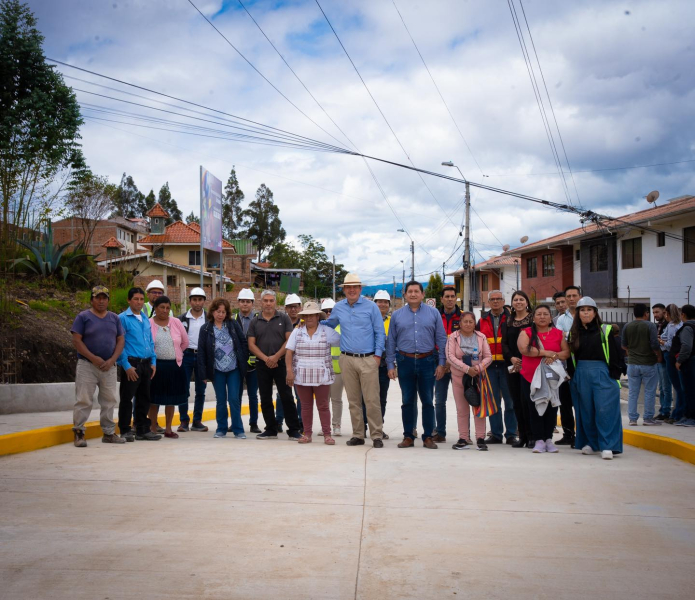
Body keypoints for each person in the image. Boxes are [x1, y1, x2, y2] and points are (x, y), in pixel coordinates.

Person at [323, 273, 385, 447]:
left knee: (372, 400)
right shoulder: (338, 307)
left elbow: (380, 332)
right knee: (353, 400)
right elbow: (331, 324)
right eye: (348, 287)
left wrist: (378, 356)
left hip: (368, 359)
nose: (351, 290)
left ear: (360, 289)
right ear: (344, 290)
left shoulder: (371, 307)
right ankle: (358, 434)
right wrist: (315, 322)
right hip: (347, 359)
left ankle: (376, 435)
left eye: (355, 287)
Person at [386, 281, 447, 449]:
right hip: (404, 361)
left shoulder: (433, 313)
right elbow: (391, 341)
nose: (413, 294)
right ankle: (408, 436)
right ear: (405, 294)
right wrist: (390, 365)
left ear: (422, 294)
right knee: (407, 401)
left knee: (427, 400)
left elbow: (441, 340)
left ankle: (428, 437)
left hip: (427, 361)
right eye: (410, 291)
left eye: (416, 291)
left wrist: (442, 363)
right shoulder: (397, 315)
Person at [568, 297, 623, 459]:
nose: (585, 313)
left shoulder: (605, 330)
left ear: (595, 313)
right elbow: (571, 357)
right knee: (585, 410)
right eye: (582, 310)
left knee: (605, 410)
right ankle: (592, 443)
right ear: (578, 313)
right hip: (581, 374)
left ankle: (608, 445)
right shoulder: (573, 333)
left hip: (603, 373)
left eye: (589, 310)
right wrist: (573, 376)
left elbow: (615, 354)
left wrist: (614, 375)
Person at [70, 285, 126, 447]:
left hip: (109, 366)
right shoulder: (83, 317)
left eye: (104, 298)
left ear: (108, 300)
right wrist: (93, 358)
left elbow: (120, 340)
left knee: (109, 400)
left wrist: (112, 360)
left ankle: (108, 433)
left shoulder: (114, 318)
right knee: (84, 400)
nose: (101, 301)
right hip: (87, 365)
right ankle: (79, 433)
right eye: (98, 298)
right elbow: (77, 340)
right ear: (92, 299)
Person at [247, 290, 302, 440]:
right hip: (262, 364)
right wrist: (266, 359)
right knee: (265, 397)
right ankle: (270, 429)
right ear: (261, 302)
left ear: (275, 302)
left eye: (271, 300)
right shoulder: (255, 321)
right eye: (266, 300)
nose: (269, 303)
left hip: (281, 364)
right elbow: (251, 345)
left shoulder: (284, 319)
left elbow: (289, 341)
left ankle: (294, 430)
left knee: (286, 396)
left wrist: (276, 357)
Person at [286, 302, 342, 444]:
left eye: (312, 315)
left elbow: (343, 340)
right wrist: (289, 371)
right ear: (303, 317)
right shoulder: (297, 331)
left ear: (318, 316)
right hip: (302, 374)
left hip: (321, 375)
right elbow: (289, 352)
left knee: (323, 405)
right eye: (306, 315)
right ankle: (308, 434)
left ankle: (327, 434)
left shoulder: (326, 331)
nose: (309, 318)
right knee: (305, 405)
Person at [517, 305, 570, 454]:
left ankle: (548, 439)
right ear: (533, 318)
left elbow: (566, 352)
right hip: (530, 377)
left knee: (551, 408)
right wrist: (547, 353)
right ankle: (538, 439)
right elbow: (524, 349)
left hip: (552, 378)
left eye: (545, 314)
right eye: (538, 314)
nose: (542, 317)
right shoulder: (526, 332)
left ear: (550, 317)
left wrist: (555, 356)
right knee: (534, 408)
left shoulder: (558, 333)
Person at [197, 297, 249, 438]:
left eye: (223, 312)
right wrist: (203, 374)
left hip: (234, 369)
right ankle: (221, 429)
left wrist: (242, 363)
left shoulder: (232, 325)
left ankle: (238, 430)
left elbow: (243, 343)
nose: (221, 314)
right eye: (218, 311)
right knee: (221, 400)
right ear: (212, 312)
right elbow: (201, 351)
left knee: (233, 399)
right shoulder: (206, 329)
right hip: (217, 370)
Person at [117, 287, 160, 442]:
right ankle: (125, 429)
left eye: (141, 299)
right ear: (129, 300)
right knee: (127, 398)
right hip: (132, 364)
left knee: (144, 398)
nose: (139, 302)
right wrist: (126, 365)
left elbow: (150, 341)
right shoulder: (122, 318)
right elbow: (119, 343)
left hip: (146, 364)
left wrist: (153, 362)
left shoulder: (145, 319)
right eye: (136, 299)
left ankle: (142, 429)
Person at [446, 311, 492, 451]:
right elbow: (450, 357)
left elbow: (488, 357)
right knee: (462, 409)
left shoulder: (481, 337)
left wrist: (477, 368)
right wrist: (467, 369)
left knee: (478, 408)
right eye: (464, 321)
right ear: (459, 323)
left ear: (474, 323)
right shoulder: (453, 338)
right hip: (459, 379)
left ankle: (480, 438)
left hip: (478, 378)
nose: (467, 324)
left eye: (470, 321)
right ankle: (463, 438)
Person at [477, 290, 518, 444]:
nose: (495, 302)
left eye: (498, 299)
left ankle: (512, 434)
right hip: (489, 367)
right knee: (493, 402)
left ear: (503, 301)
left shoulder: (511, 319)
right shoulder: (482, 320)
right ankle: (496, 434)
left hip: (507, 365)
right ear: (488, 302)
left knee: (510, 401)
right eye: (492, 299)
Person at [148, 296, 189, 439]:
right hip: (155, 367)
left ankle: (168, 429)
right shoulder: (149, 324)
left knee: (170, 400)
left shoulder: (176, 322)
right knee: (154, 399)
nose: (165, 311)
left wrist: (176, 354)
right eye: (161, 307)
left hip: (174, 366)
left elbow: (185, 342)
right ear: (155, 308)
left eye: (167, 308)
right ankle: (152, 427)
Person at [501, 290, 533, 448]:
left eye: (521, 299)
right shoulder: (508, 321)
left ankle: (534, 436)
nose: (518, 302)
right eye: (516, 300)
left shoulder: (534, 319)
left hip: (531, 364)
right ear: (512, 303)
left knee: (530, 400)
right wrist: (511, 358)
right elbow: (504, 344)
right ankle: (523, 436)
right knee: (516, 402)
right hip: (513, 366)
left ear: (527, 302)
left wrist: (528, 356)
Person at [622, 303, 661, 426]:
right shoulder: (650, 326)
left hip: (632, 363)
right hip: (648, 363)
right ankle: (648, 418)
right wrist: (658, 355)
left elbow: (623, 345)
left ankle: (632, 419)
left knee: (633, 392)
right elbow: (655, 344)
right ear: (646, 313)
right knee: (649, 391)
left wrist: (631, 352)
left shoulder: (627, 326)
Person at [177, 287, 208, 433]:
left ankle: (197, 421)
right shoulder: (181, 319)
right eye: (194, 299)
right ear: (190, 301)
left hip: (202, 357)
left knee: (201, 390)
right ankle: (184, 421)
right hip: (186, 356)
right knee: (183, 389)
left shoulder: (209, 319)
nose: (197, 302)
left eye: (200, 299)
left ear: (204, 301)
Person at [432, 286, 461, 443]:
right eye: (447, 296)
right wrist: (443, 363)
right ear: (441, 299)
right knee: (439, 400)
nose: (450, 299)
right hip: (439, 363)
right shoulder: (434, 316)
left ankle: (465, 434)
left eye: (452, 296)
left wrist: (453, 361)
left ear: (456, 298)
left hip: (459, 364)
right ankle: (440, 432)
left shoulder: (463, 317)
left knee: (462, 400)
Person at [554, 287, 579, 444]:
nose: (570, 299)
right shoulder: (561, 320)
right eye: (568, 296)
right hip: (564, 366)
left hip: (583, 364)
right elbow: (560, 342)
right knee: (564, 403)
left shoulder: (587, 315)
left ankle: (583, 434)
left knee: (582, 402)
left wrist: (569, 337)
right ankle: (568, 434)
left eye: (573, 296)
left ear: (579, 297)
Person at [275, 292, 303, 432]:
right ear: (285, 308)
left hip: (299, 364)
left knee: (300, 395)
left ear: (300, 307)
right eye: (290, 307)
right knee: (282, 394)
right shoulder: (280, 323)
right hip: (283, 363)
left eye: (296, 306)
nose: (293, 309)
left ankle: (300, 422)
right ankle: (278, 421)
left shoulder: (304, 324)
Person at [236, 288, 261, 433]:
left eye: (248, 302)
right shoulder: (232, 319)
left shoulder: (258, 319)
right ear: (238, 303)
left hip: (254, 364)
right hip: (237, 364)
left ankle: (253, 423)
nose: (245, 304)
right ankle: (236, 423)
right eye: (243, 301)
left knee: (253, 395)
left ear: (252, 303)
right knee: (236, 395)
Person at [321, 298, 343, 436]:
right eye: (325, 311)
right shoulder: (320, 328)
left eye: (331, 311)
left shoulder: (342, 327)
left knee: (336, 399)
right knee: (324, 401)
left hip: (338, 370)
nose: (328, 313)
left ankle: (336, 425)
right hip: (323, 370)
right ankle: (325, 426)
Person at [660, 304, 684, 424]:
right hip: (677, 357)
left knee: (677, 387)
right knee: (679, 387)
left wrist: (660, 341)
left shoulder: (672, 326)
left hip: (670, 357)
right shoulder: (680, 325)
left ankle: (677, 414)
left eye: (665, 313)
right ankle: (678, 412)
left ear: (668, 313)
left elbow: (670, 345)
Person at [674, 304, 695, 426]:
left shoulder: (687, 327)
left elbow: (686, 346)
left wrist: (679, 360)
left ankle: (690, 417)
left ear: (683, 315)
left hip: (689, 362)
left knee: (689, 389)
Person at [652, 303, 670, 420]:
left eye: (657, 312)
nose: (655, 315)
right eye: (653, 312)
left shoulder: (668, 325)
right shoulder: (657, 325)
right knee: (662, 387)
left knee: (666, 387)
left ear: (664, 312)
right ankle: (663, 410)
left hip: (665, 359)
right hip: (658, 360)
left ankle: (666, 411)